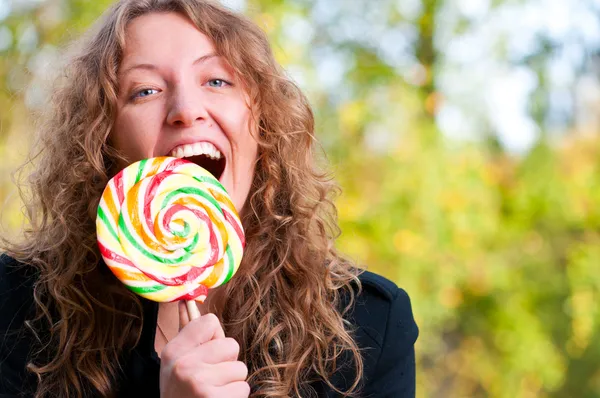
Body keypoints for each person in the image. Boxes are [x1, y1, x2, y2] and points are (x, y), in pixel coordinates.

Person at [0, 0, 419, 397]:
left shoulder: (366, 326)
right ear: (102, 141)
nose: (186, 109)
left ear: (263, 124)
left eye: (217, 81)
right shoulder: (17, 310)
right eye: (144, 91)